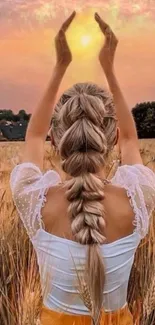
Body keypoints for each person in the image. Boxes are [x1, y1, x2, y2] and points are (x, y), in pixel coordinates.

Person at [10, 11, 155, 325]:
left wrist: (60, 64)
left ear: (55, 138)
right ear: (112, 136)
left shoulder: (33, 200)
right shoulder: (140, 198)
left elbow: (32, 134)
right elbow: (131, 140)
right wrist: (109, 67)